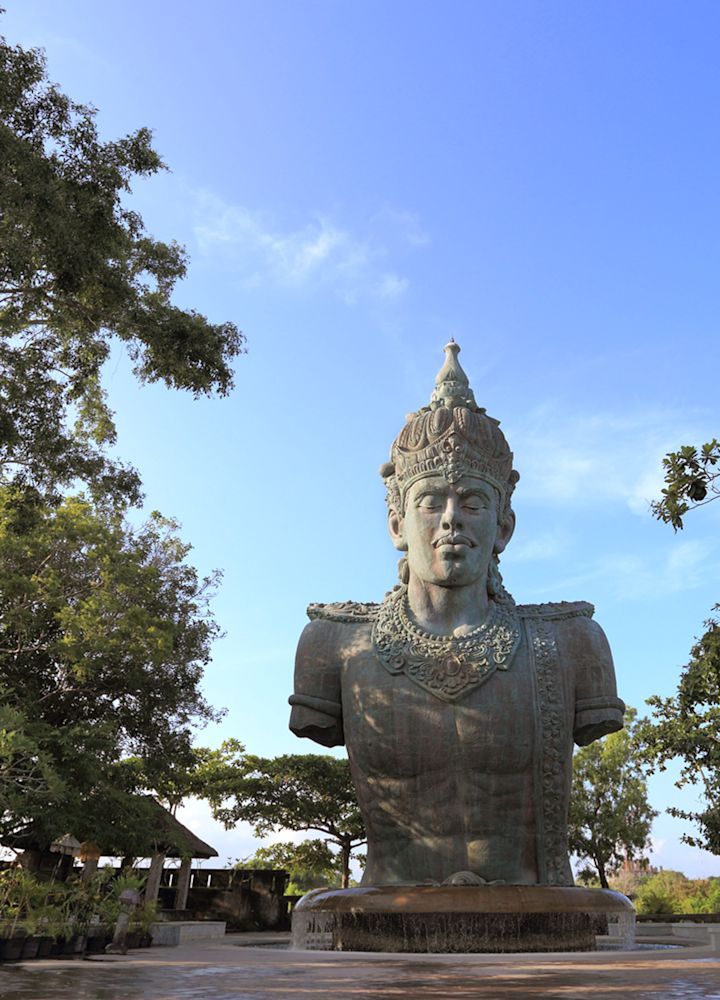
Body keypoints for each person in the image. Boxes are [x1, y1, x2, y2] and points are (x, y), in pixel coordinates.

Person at [289, 341, 624, 886]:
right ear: (397, 523)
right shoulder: (334, 645)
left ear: (504, 527)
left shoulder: (572, 644)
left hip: (537, 916)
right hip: (387, 917)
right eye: (431, 502)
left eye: (472, 503)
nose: (451, 521)